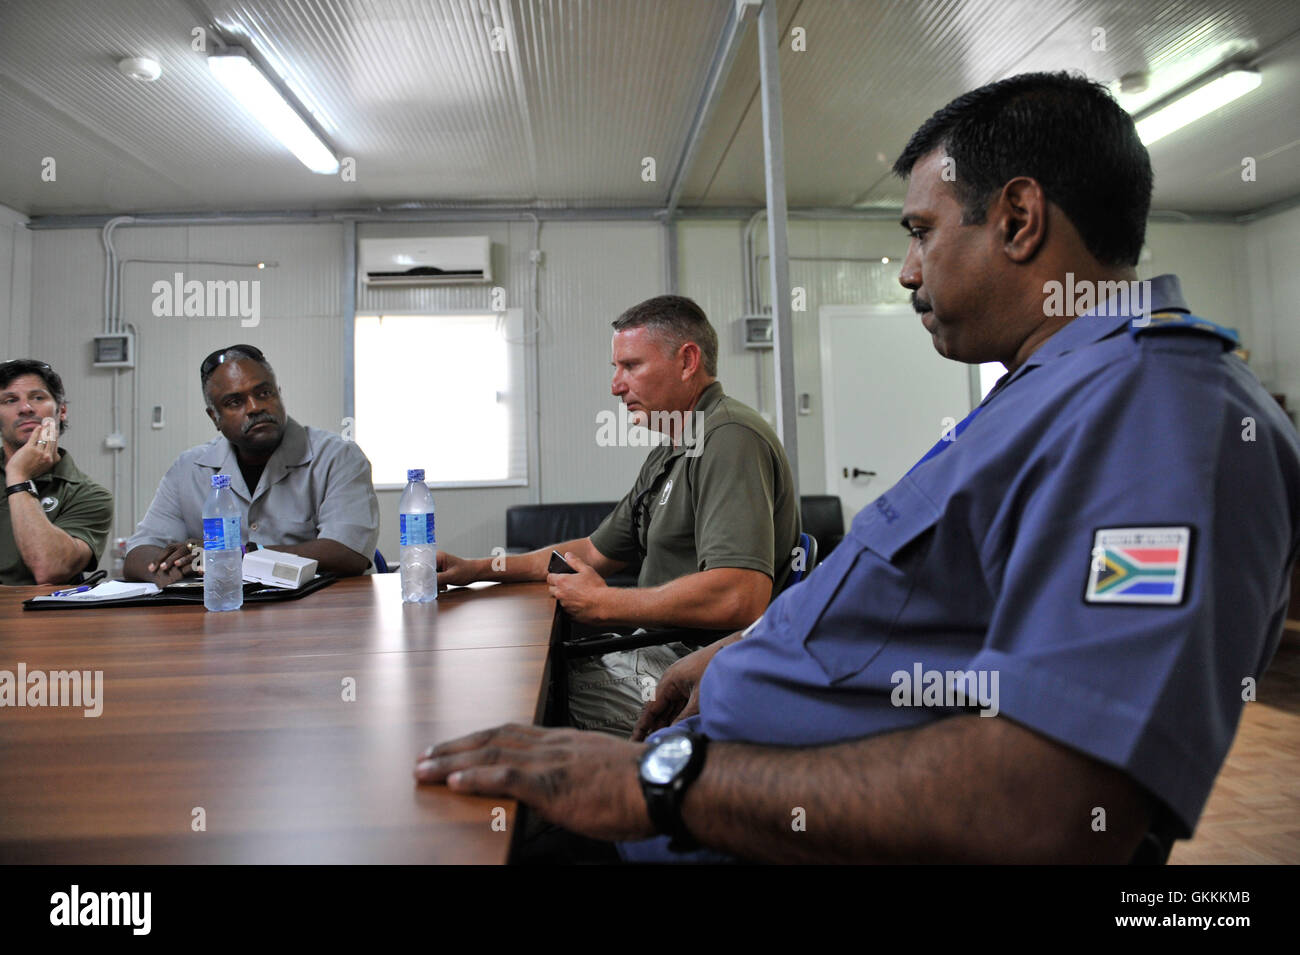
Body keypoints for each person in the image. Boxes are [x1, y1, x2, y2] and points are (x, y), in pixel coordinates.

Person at [413, 72, 1300, 863]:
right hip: (712, 765)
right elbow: (914, 613)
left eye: (920, 232)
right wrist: (734, 652)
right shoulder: (1047, 393)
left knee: (456, 829)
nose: (909, 271)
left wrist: (656, 784)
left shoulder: (1157, 413)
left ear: (1019, 220)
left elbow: (1053, 801)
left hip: (730, 819)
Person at [436, 295, 801, 735]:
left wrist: (608, 604)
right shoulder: (674, 446)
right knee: (511, 674)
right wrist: (478, 567)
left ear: (687, 361)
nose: (615, 385)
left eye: (630, 366)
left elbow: (739, 596)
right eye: (617, 369)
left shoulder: (728, 439)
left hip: (693, 670)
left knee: (511, 701)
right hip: (654, 648)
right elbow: (594, 551)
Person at [124, 345, 379, 586]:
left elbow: (347, 553)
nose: (255, 407)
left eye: (264, 393)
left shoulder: (337, 456)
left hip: (320, 615)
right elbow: (138, 553)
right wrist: (169, 566)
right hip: (222, 615)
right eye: (235, 402)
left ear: (279, 393)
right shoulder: (189, 468)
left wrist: (235, 555)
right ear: (214, 417)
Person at [0, 360, 113, 586]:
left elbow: (50, 569)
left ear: (61, 411)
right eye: (11, 400)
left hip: (41, 617)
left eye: (38, 397)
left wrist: (18, 477)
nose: (25, 408)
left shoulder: (89, 494)